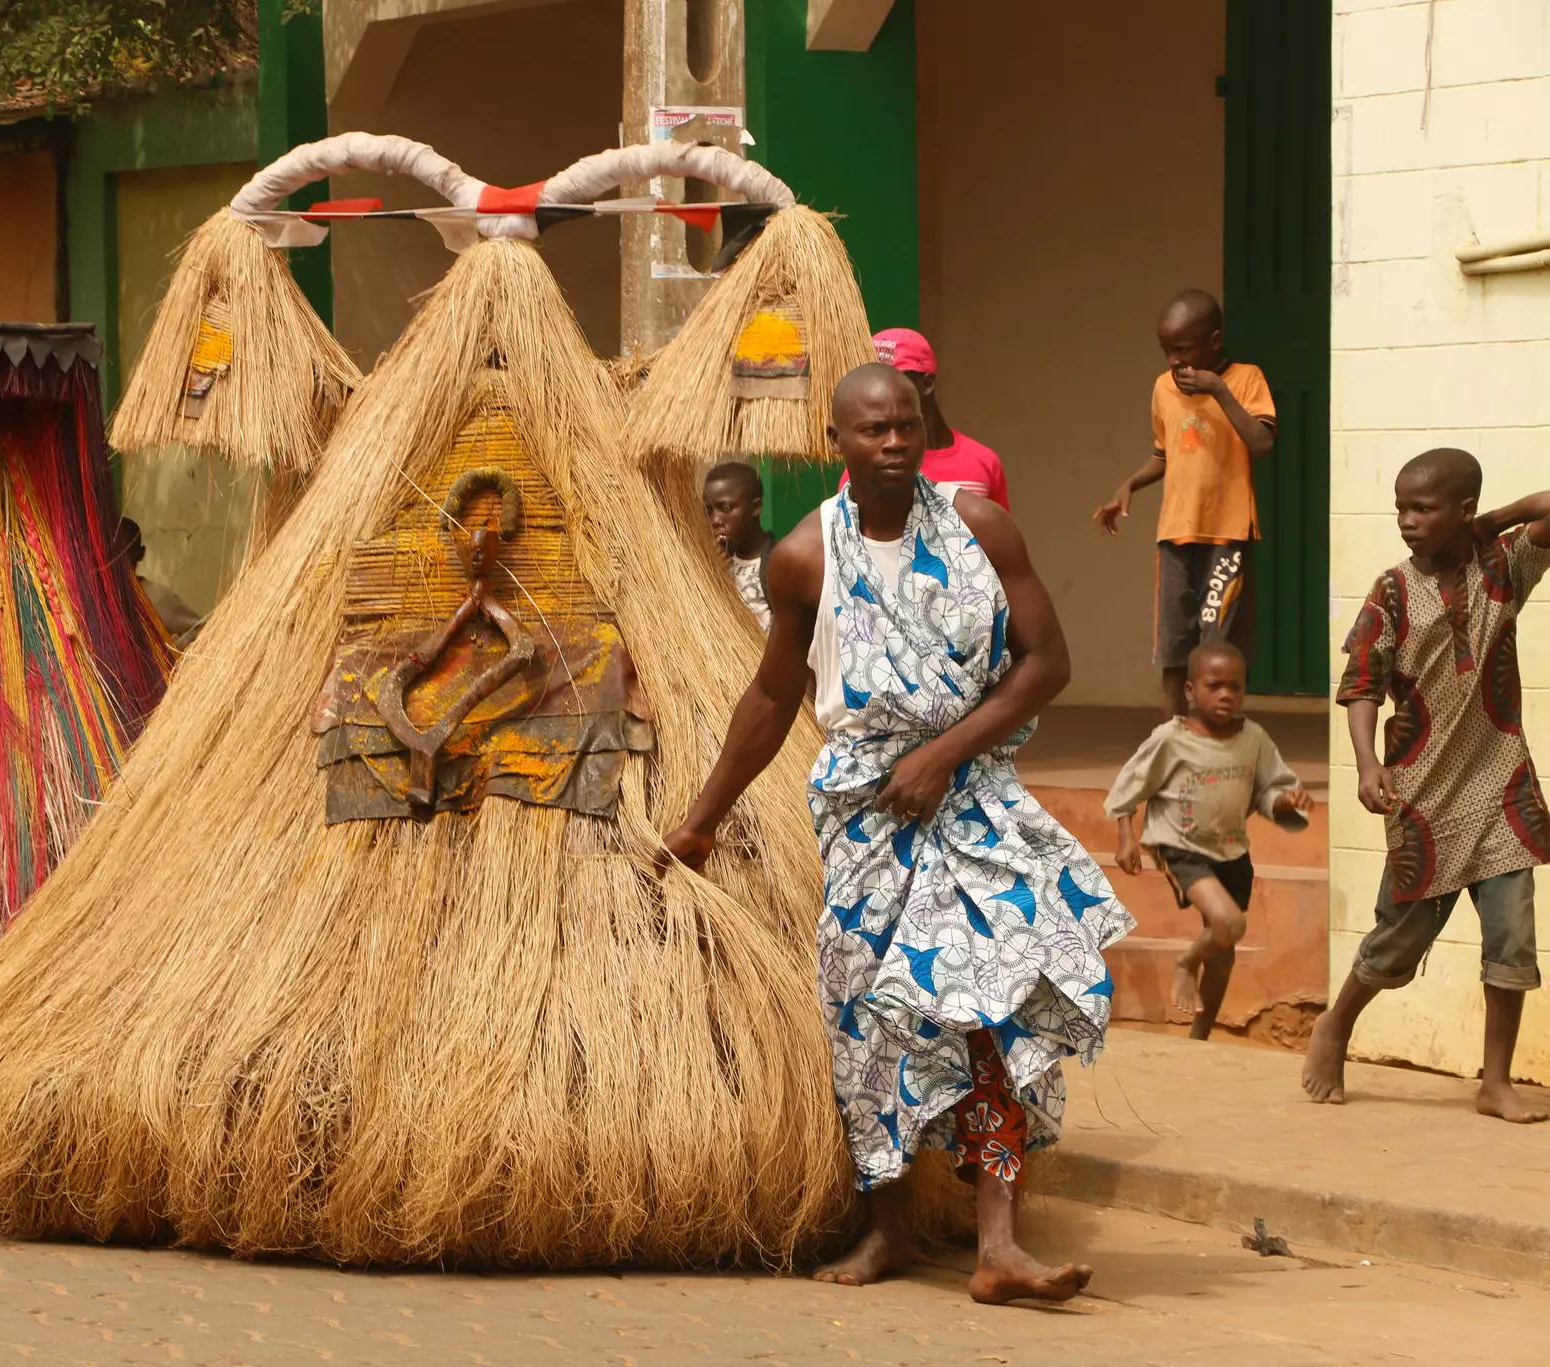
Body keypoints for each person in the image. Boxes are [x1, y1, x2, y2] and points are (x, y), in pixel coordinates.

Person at [663, 363, 1130, 1304]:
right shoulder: (805, 556)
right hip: (866, 813)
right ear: (836, 440)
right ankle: (890, 1228)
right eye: (872, 429)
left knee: (995, 1000)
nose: (893, 443)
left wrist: (945, 755)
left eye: (906, 426)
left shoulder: (979, 525)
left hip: (975, 798)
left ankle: (999, 1244)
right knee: (869, 1014)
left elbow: (1047, 662)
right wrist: (702, 820)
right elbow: (773, 695)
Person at [1304, 449, 1550, 1124]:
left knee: (1512, 937)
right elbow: (1361, 684)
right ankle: (1336, 1024)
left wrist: (1492, 522)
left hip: (1501, 785)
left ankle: (1495, 1082)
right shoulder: (1390, 592)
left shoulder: (1503, 567)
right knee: (1399, 940)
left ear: (1464, 510)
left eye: (1423, 508)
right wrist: (1367, 764)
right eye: (1400, 509)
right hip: (1422, 795)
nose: (1407, 521)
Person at [1106, 641, 1310, 1040]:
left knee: (1223, 955)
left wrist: (1285, 801)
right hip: (1180, 846)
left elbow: (1269, 790)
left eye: (1235, 686)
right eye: (1214, 685)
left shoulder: (1254, 738)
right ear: (1190, 690)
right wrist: (1126, 837)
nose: (1225, 695)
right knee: (1229, 922)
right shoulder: (1171, 738)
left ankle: (1199, 1036)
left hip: (1231, 850)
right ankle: (1186, 962)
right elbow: (1130, 785)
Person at [1092, 290, 1275, 717]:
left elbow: (1262, 442)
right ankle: (1175, 736)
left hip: (1227, 534)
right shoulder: (1163, 387)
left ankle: (1217, 738)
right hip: (1176, 534)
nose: (1174, 360)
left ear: (1214, 341)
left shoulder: (1246, 379)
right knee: (1174, 649)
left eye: (1184, 348)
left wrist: (1218, 391)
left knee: (1218, 647)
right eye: (1166, 350)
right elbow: (1165, 453)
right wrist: (1129, 485)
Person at [870, 327, 1010, 507]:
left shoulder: (983, 462)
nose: (880, 394)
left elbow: (998, 526)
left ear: (927, 384)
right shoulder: (868, 468)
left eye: (894, 383)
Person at [703, 461, 777, 630]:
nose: (715, 520)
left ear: (755, 508)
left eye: (726, 508)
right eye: (709, 511)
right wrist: (711, 575)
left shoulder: (777, 564)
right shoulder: (717, 562)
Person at [116, 517, 201, 649]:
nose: (120, 559)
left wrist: (170, 649)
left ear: (141, 553)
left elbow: (201, 630)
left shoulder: (156, 596)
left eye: (125, 552)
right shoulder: (97, 599)